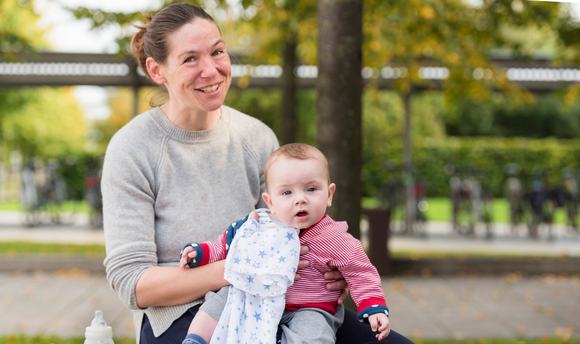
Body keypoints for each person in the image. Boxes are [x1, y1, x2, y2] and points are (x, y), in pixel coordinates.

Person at [101, 3, 414, 344]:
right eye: (190, 58)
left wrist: (329, 270)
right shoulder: (133, 148)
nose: (211, 69)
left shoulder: (256, 138)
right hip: (181, 315)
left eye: (217, 52)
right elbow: (133, 284)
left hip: (280, 304)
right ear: (156, 70)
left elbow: (296, 231)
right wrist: (243, 269)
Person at [179, 143, 390, 344]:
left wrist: (373, 306)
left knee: (315, 334)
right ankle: (196, 338)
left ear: (329, 194)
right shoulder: (259, 223)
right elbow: (228, 246)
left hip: (309, 308)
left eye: (311, 189)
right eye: (287, 192)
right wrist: (201, 253)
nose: (300, 199)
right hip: (257, 293)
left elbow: (360, 271)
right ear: (270, 202)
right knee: (221, 300)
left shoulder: (334, 238)